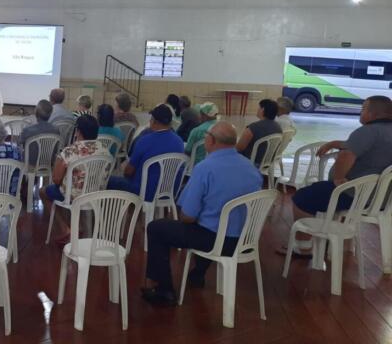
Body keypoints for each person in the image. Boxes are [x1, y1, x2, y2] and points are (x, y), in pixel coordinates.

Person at [141, 122, 262, 306]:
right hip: (243, 239)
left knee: (158, 228)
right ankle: (197, 275)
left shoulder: (205, 168)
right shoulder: (251, 168)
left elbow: (188, 216)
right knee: (209, 224)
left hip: (214, 241)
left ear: (211, 140)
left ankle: (163, 289)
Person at [281, 96, 392, 257]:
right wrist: (333, 143)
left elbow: (347, 155)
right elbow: (368, 146)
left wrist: (338, 179)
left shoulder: (368, 131)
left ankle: (303, 247)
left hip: (355, 194)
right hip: (383, 199)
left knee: (302, 197)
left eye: (363, 109)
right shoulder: (384, 132)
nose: (361, 113)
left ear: (372, 113)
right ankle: (344, 245)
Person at [39, 115, 110, 244]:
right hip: (96, 193)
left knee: (43, 192)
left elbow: (56, 179)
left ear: (78, 131)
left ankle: (64, 228)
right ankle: (81, 227)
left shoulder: (70, 151)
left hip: (73, 195)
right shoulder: (104, 150)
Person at [106, 104, 184, 201]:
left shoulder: (144, 140)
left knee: (107, 180)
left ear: (154, 121)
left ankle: (125, 214)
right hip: (168, 192)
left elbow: (128, 172)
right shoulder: (179, 142)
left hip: (143, 192)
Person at [236, 99, 282, 165]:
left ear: (262, 110)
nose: (257, 110)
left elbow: (239, 148)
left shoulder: (253, 127)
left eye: (259, 107)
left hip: (251, 162)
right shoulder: (278, 127)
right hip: (268, 162)